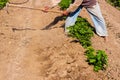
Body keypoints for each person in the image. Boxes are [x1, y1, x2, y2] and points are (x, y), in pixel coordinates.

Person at [43, 0, 108, 41]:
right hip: (76, 2)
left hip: (89, 2)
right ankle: (68, 32)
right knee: (71, 17)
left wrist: (67, 11)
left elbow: (77, 3)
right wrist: (49, 6)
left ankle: (103, 34)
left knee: (98, 17)